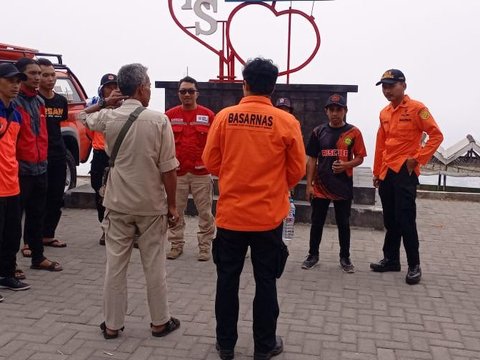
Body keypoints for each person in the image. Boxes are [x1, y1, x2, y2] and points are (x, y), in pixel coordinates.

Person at [203, 57, 306, 360]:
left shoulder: (225, 117)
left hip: (231, 215)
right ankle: (264, 346)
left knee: (227, 281)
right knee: (266, 281)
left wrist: (235, 175)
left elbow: (211, 162)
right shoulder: (286, 122)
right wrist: (274, 185)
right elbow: (297, 170)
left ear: (244, 83)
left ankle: (225, 345)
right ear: (272, 87)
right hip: (268, 217)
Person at [80, 63, 181, 339]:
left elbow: (80, 117)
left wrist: (104, 102)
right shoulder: (159, 120)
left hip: (117, 203)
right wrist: (173, 206)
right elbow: (168, 169)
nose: (149, 89)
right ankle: (160, 322)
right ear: (140, 88)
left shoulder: (108, 117)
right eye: (148, 85)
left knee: (115, 266)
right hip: (151, 205)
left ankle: (112, 325)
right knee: (154, 266)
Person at [370, 69, 443, 285]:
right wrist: (376, 172)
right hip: (386, 173)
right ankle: (391, 259)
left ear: (403, 85)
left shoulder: (417, 109)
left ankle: (414, 265)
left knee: (406, 220)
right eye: (384, 86)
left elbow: (436, 135)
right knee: (390, 220)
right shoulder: (384, 112)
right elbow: (380, 144)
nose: (387, 90)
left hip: (405, 172)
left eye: (391, 85)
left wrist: (417, 159)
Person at [301, 94, 367, 273]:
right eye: (331, 110)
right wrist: (309, 185)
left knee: (343, 223)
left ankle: (345, 257)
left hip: (342, 186)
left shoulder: (353, 132)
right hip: (321, 186)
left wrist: (346, 164)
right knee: (317, 222)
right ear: (326, 111)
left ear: (345, 111)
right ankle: (312, 255)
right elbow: (312, 160)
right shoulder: (318, 132)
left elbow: (360, 157)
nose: (335, 113)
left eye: (339, 110)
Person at [14, 58, 62, 272]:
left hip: (40, 166)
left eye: (38, 73)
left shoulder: (40, 102)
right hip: (20, 169)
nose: (36, 77)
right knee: (13, 219)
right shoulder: (13, 102)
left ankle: (38, 257)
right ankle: (9, 263)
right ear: (19, 76)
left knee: (37, 214)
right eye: (32, 73)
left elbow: (41, 135)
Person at [165, 76, 215, 261]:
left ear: (197, 93)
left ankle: (204, 247)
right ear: (178, 94)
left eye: (190, 91)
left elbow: (216, 144)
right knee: (175, 211)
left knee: (205, 213)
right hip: (177, 174)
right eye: (183, 91)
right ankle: (176, 245)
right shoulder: (169, 116)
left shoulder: (209, 116)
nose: (187, 94)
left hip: (201, 173)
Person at [0, 63, 31, 294]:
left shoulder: (17, 114)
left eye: (18, 81)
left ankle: (7, 275)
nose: (16, 85)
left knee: (12, 235)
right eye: (10, 80)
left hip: (12, 184)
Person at [37, 58, 68, 249]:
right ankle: (31, 241)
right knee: (37, 199)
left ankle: (48, 235)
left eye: (52, 75)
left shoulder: (60, 101)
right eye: (45, 75)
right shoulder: (33, 100)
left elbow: (60, 125)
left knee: (56, 197)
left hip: (58, 154)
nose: (50, 79)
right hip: (38, 156)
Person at [87, 73, 118, 246]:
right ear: (102, 89)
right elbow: (85, 124)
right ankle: (105, 230)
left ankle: (120, 230)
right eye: (109, 87)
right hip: (100, 154)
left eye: (115, 87)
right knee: (99, 194)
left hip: (118, 155)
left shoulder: (125, 107)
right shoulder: (95, 106)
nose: (112, 90)